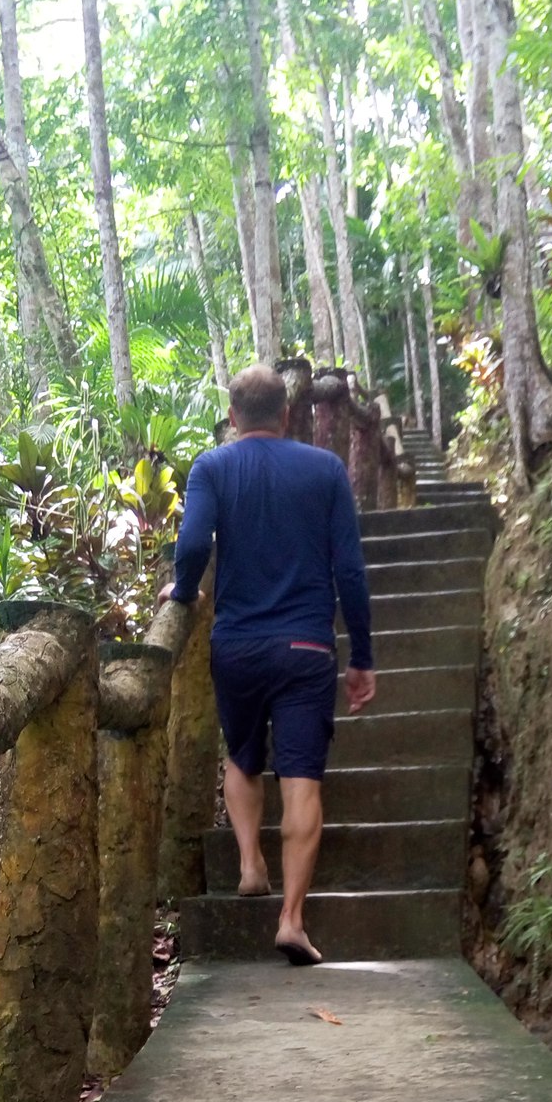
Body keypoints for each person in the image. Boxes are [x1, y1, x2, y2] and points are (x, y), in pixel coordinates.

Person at [165, 362, 375, 964]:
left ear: (232, 417)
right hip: (307, 648)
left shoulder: (212, 466)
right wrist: (361, 655)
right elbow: (351, 573)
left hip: (236, 645)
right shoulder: (325, 470)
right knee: (302, 777)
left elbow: (193, 544)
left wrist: (182, 592)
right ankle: (291, 918)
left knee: (242, 755)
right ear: (287, 415)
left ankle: (251, 862)